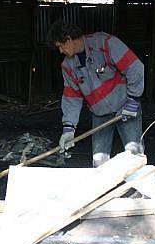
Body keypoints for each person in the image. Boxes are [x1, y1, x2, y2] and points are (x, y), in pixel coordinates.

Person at [47, 20, 144, 167]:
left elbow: (135, 68)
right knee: (99, 161)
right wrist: (68, 128)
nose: (60, 51)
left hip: (125, 107)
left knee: (134, 154)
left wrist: (133, 100)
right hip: (100, 114)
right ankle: (106, 190)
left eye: (61, 46)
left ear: (69, 39)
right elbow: (72, 97)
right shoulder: (67, 66)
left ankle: (139, 189)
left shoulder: (105, 44)